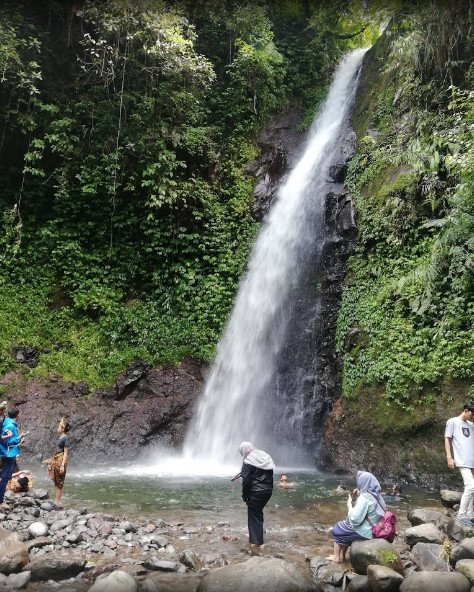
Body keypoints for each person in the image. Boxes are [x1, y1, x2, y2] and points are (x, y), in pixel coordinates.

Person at [327, 470, 387, 563]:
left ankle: (336, 557)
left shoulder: (365, 498)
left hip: (368, 532)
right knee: (346, 525)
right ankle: (342, 556)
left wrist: (349, 505)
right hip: (378, 529)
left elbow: (355, 519)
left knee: (338, 528)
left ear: (363, 482)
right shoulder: (377, 495)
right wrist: (359, 493)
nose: (358, 484)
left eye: (360, 482)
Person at [239, 441, 275, 552]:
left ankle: (258, 542)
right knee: (258, 512)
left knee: (254, 514)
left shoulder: (248, 462)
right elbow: (271, 473)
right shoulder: (264, 456)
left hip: (255, 492)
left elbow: (246, 481)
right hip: (268, 490)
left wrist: (245, 497)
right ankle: (259, 537)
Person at [445, 402, 474, 525]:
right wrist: (449, 458)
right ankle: (461, 515)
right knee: (471, 486)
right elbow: (447, 438)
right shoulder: (452, 422)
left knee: (473, 487)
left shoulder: (471, 425)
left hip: (472, 460)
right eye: (472, 414)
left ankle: (469, 513)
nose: (473, 417)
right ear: (466, 410)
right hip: (462, 460)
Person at [0, 409, 25, 510]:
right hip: (8, 454)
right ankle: (0, 501)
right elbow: (7, 442)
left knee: (7, 476)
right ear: (17, 416)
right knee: (5, 477)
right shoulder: (10, 425)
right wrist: (19, 438)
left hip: (7, 453)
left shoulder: (7, 422)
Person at [44, 418, 70, 503]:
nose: (57, 428)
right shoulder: (61, 437)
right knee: (56, 479)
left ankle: (57, 501)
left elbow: (65, 452)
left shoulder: (65, 438)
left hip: (61, 460)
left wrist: (62, 465)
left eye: (59, 427)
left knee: (59, 481)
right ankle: (58, 500)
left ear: (63, 429)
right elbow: (58, 451)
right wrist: (51, 460)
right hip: (57, 459)